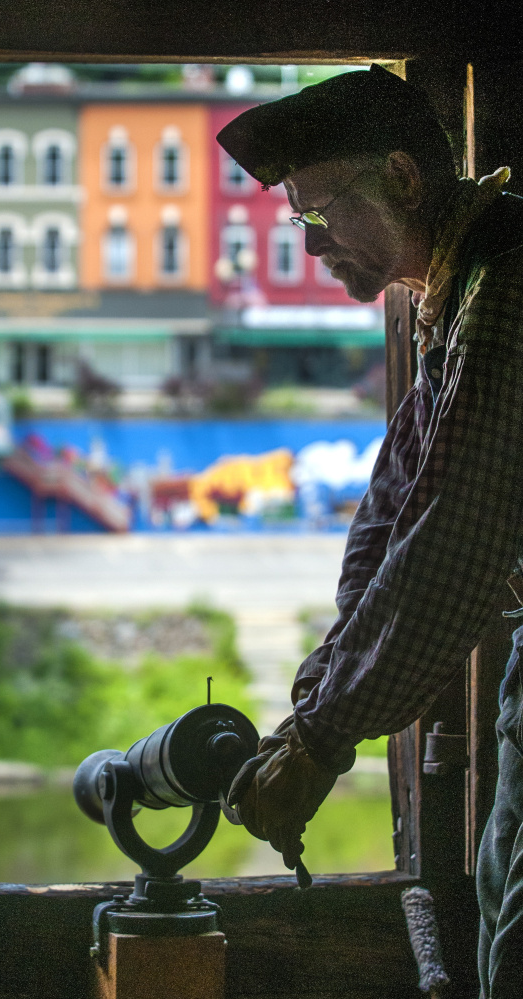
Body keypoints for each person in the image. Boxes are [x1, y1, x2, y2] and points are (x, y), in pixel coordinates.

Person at [216, 63, 523, 999]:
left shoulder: (508, 280)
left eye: (320, 214)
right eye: (299, 223)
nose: (312, 245)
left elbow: (453, 535)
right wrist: (316, 702)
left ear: (401, 176)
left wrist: (321, 738)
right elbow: (395, 504)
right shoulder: (457, 285)